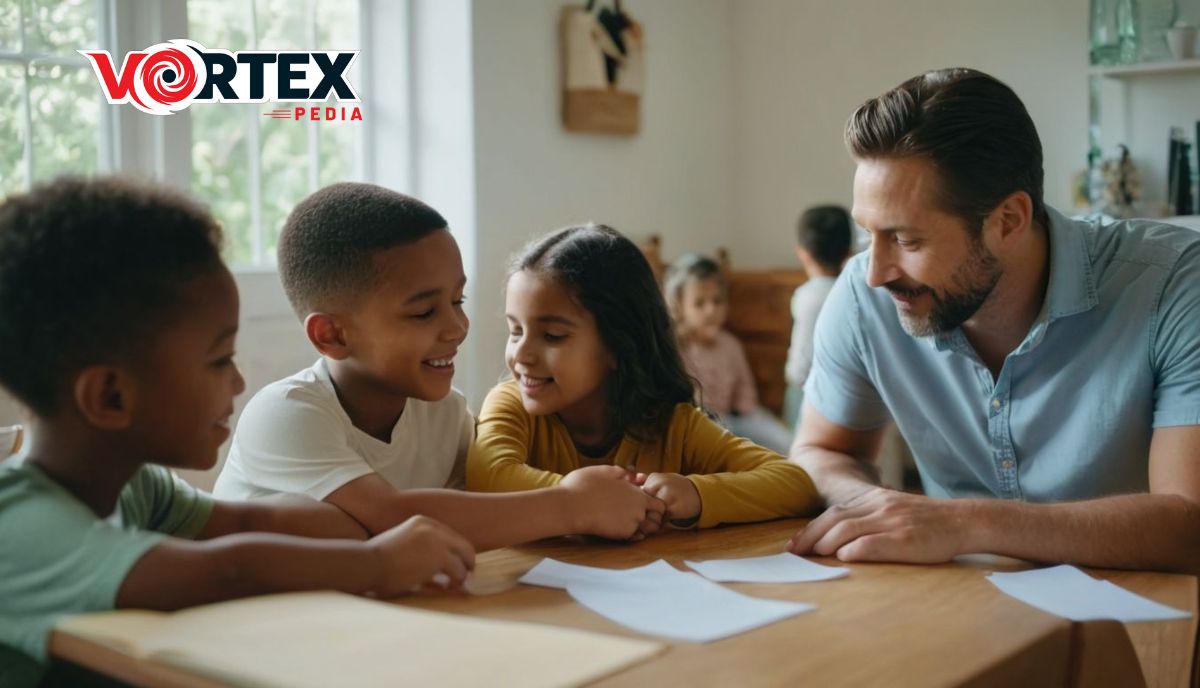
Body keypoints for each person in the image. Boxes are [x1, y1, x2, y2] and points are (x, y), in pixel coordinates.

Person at [0, 177, 475, 674]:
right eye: (218, 360)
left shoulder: (135, 487)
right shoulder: (20, 526)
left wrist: (367, 524)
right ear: (110, 396)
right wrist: (379, 562)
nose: (239, 380)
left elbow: (251, 522)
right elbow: (225, 569)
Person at [785, 68, 1200, 573]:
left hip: (1142, 621)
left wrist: (965, 523)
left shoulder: (1175, 284)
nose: (875, 272)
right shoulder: (862, 294)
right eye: (867, 234)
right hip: (955, 611)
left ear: (1009, 221)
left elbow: (1189, 523)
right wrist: (873, 508)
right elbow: (819, 451)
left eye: (908, 240)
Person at [214, 183, 658, 548]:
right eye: (425, 312)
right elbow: (392, 517)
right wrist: (572, 505)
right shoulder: (287, 413)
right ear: (333, 335)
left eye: (457, 300)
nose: (458, 326)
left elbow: (487, 508)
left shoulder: (444, 414)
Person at [467, 224, 819, 531]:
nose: (522, 355)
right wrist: (587, 503)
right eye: (515, 331)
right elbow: (488, 478)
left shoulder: (670, 425)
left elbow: (794, 483)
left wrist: (696, 494)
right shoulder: (511, 404)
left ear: (618, 345)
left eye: (553, 336)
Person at [663, 252, 793, 453]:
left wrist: (745, 408)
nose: (711, 310)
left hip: (733, 421)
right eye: (700, 303)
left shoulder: (730, 345)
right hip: (696, 428)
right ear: (679, 306)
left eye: (717, 301)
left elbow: (746, 395)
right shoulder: (676, 348)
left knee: (783, 440)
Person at [782, 206, 853, 430]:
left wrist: (793, 377)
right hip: (846, 389)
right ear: (849, 252)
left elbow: (802, 356)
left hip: (806, 388)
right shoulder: (853, 294)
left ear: (802, 253)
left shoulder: (805, 297)